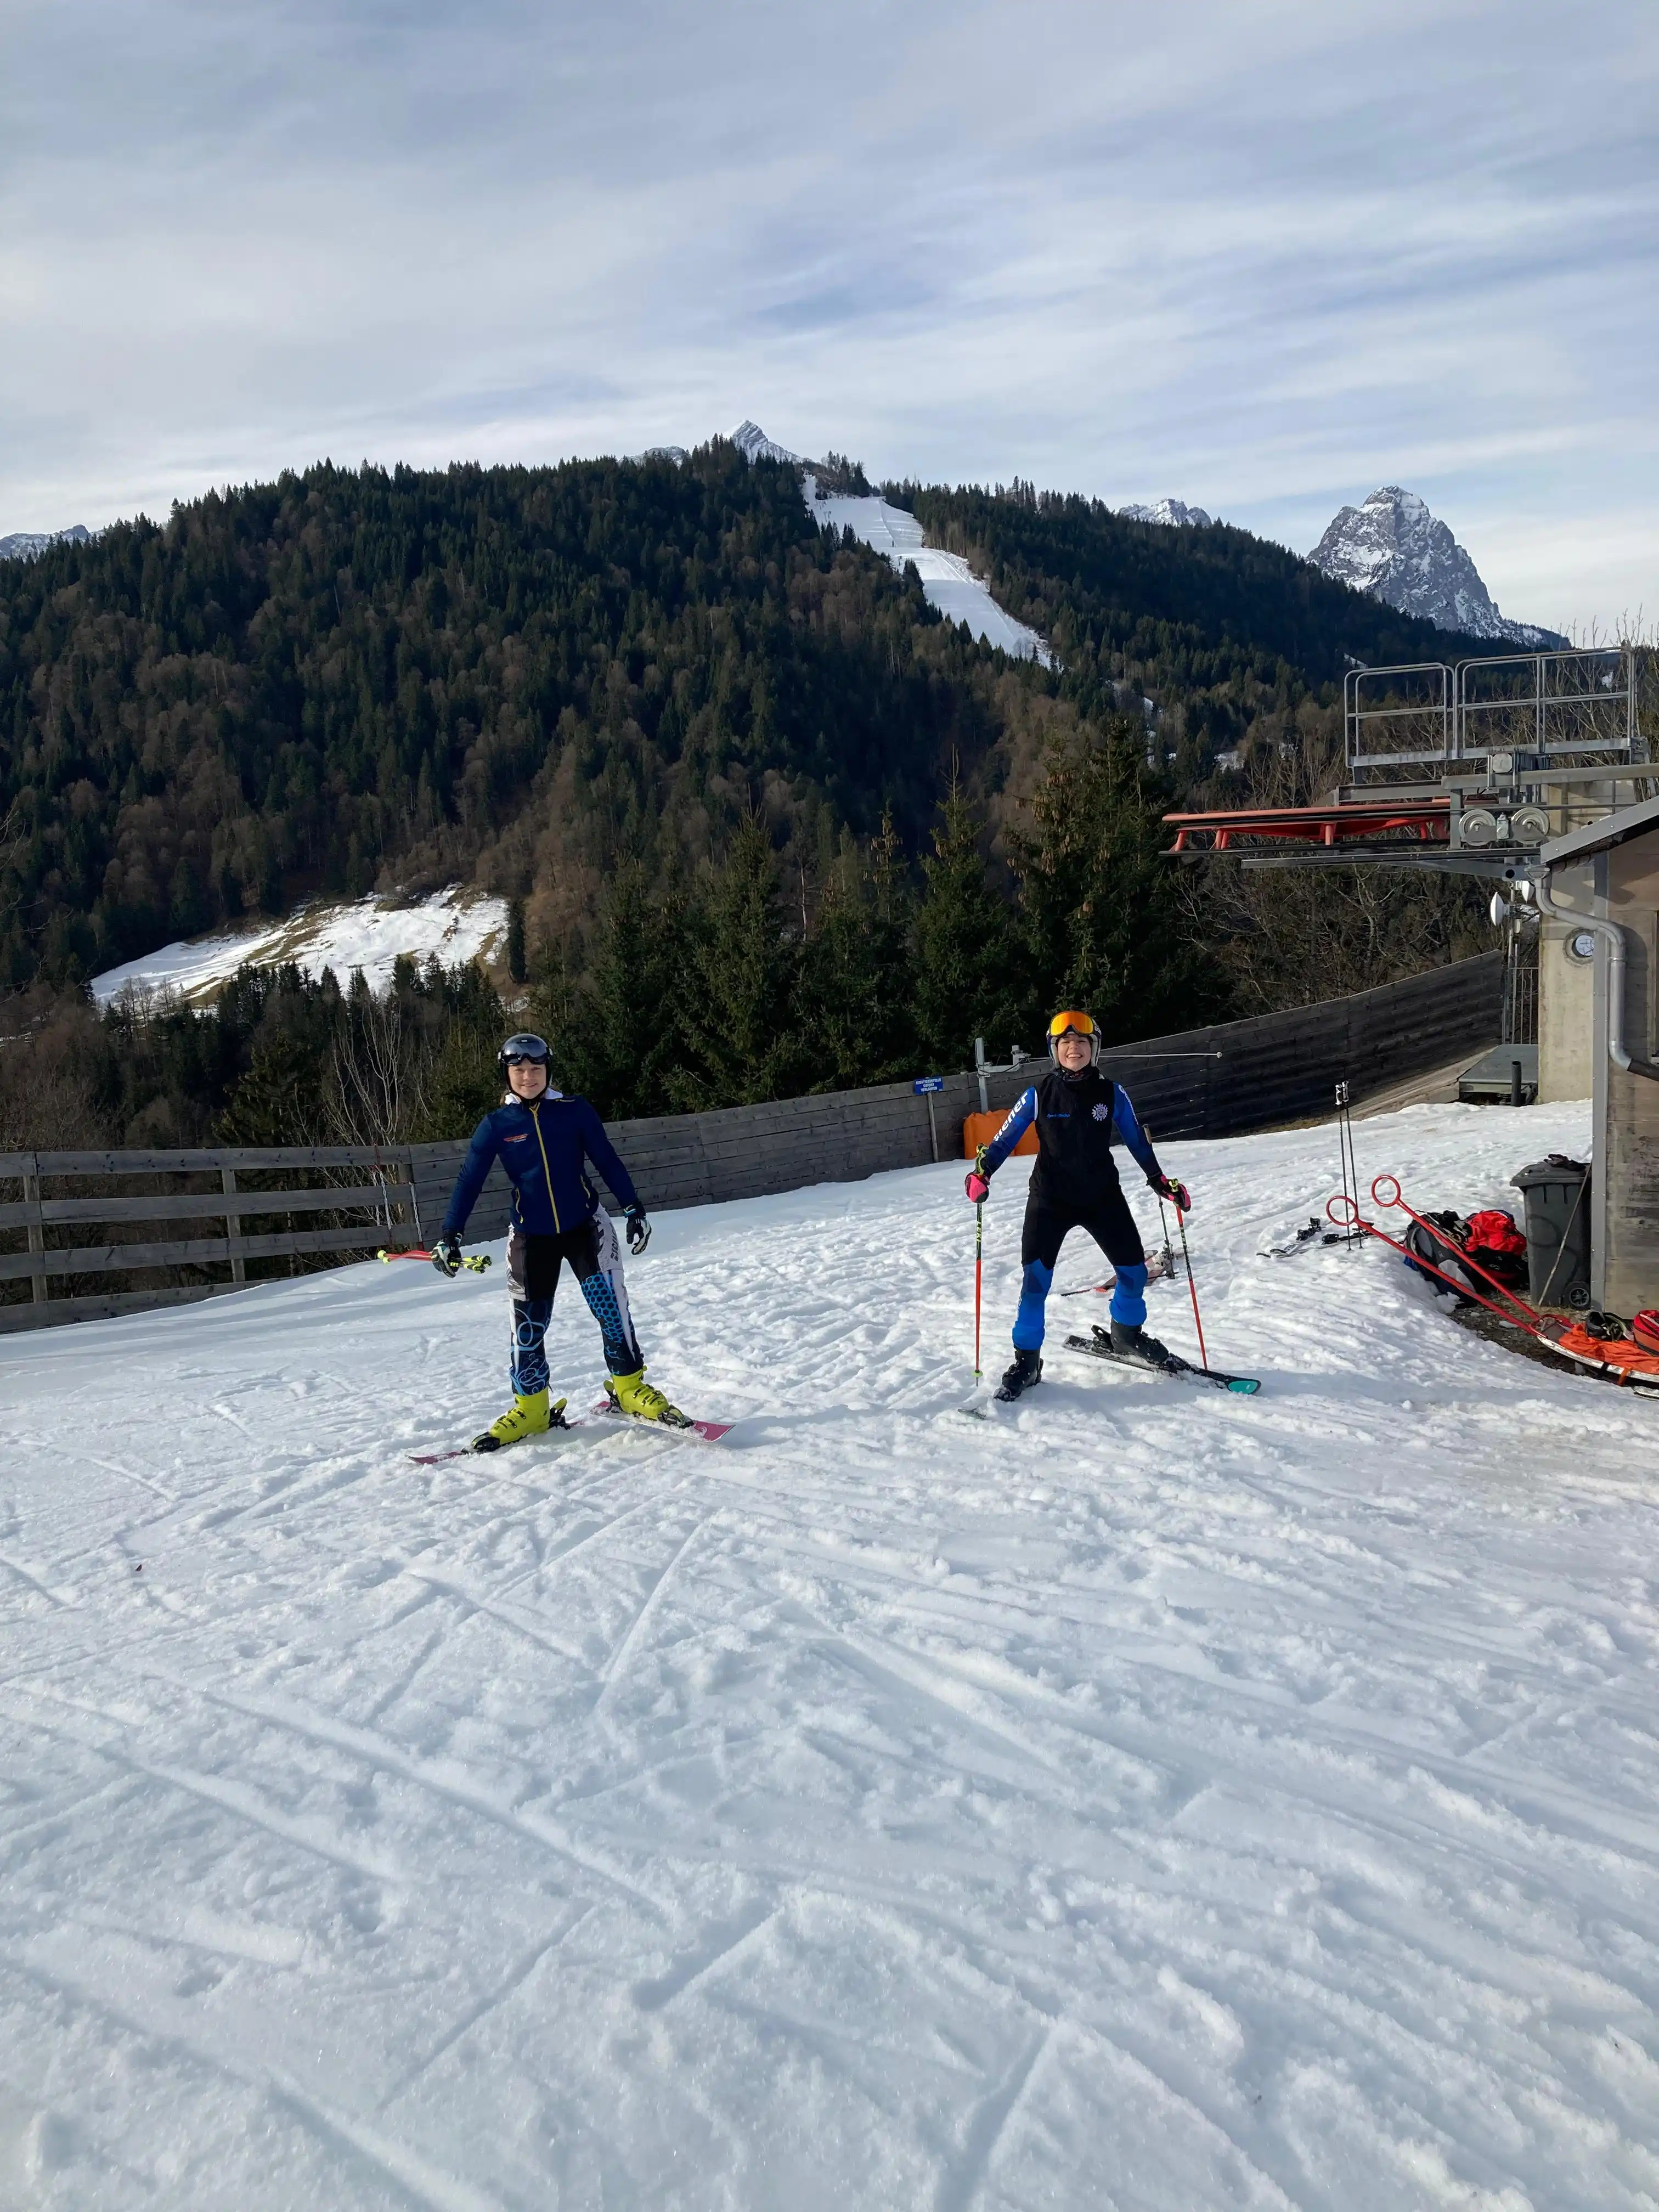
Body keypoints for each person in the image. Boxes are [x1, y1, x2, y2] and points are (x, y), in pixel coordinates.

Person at [432, 1032, 686, 1447]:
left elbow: (606, 1157)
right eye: (519, 1070)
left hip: (585, 1227)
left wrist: (633, 1208)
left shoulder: (574, 1111)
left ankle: (628, 1388)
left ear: (548, 1070)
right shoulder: (497, 1125)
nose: (528, 1077)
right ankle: (532, 1408)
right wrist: (451, 1234)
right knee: (528, 1327)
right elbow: (469, 1180)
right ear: (508, 1073)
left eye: (536, 1068)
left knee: (611, 1310)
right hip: (531, 1237)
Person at [966, 1009, 1192, 1402]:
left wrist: (1160, 1181)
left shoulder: (1111, 1093)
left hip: (1102, 1197)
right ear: (1055, 1050)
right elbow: (1003, 1140)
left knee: (1135, 1275)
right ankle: (1028, 1361)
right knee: (1035, 1285)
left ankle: (1126, 1335)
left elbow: (1137, 1140)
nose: (1075, 1048)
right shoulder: (1038, 1094)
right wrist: (982, 1174)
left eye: (1082, 1043)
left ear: (1094, 1049)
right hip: (1050, 1200)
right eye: (1066, 1043)